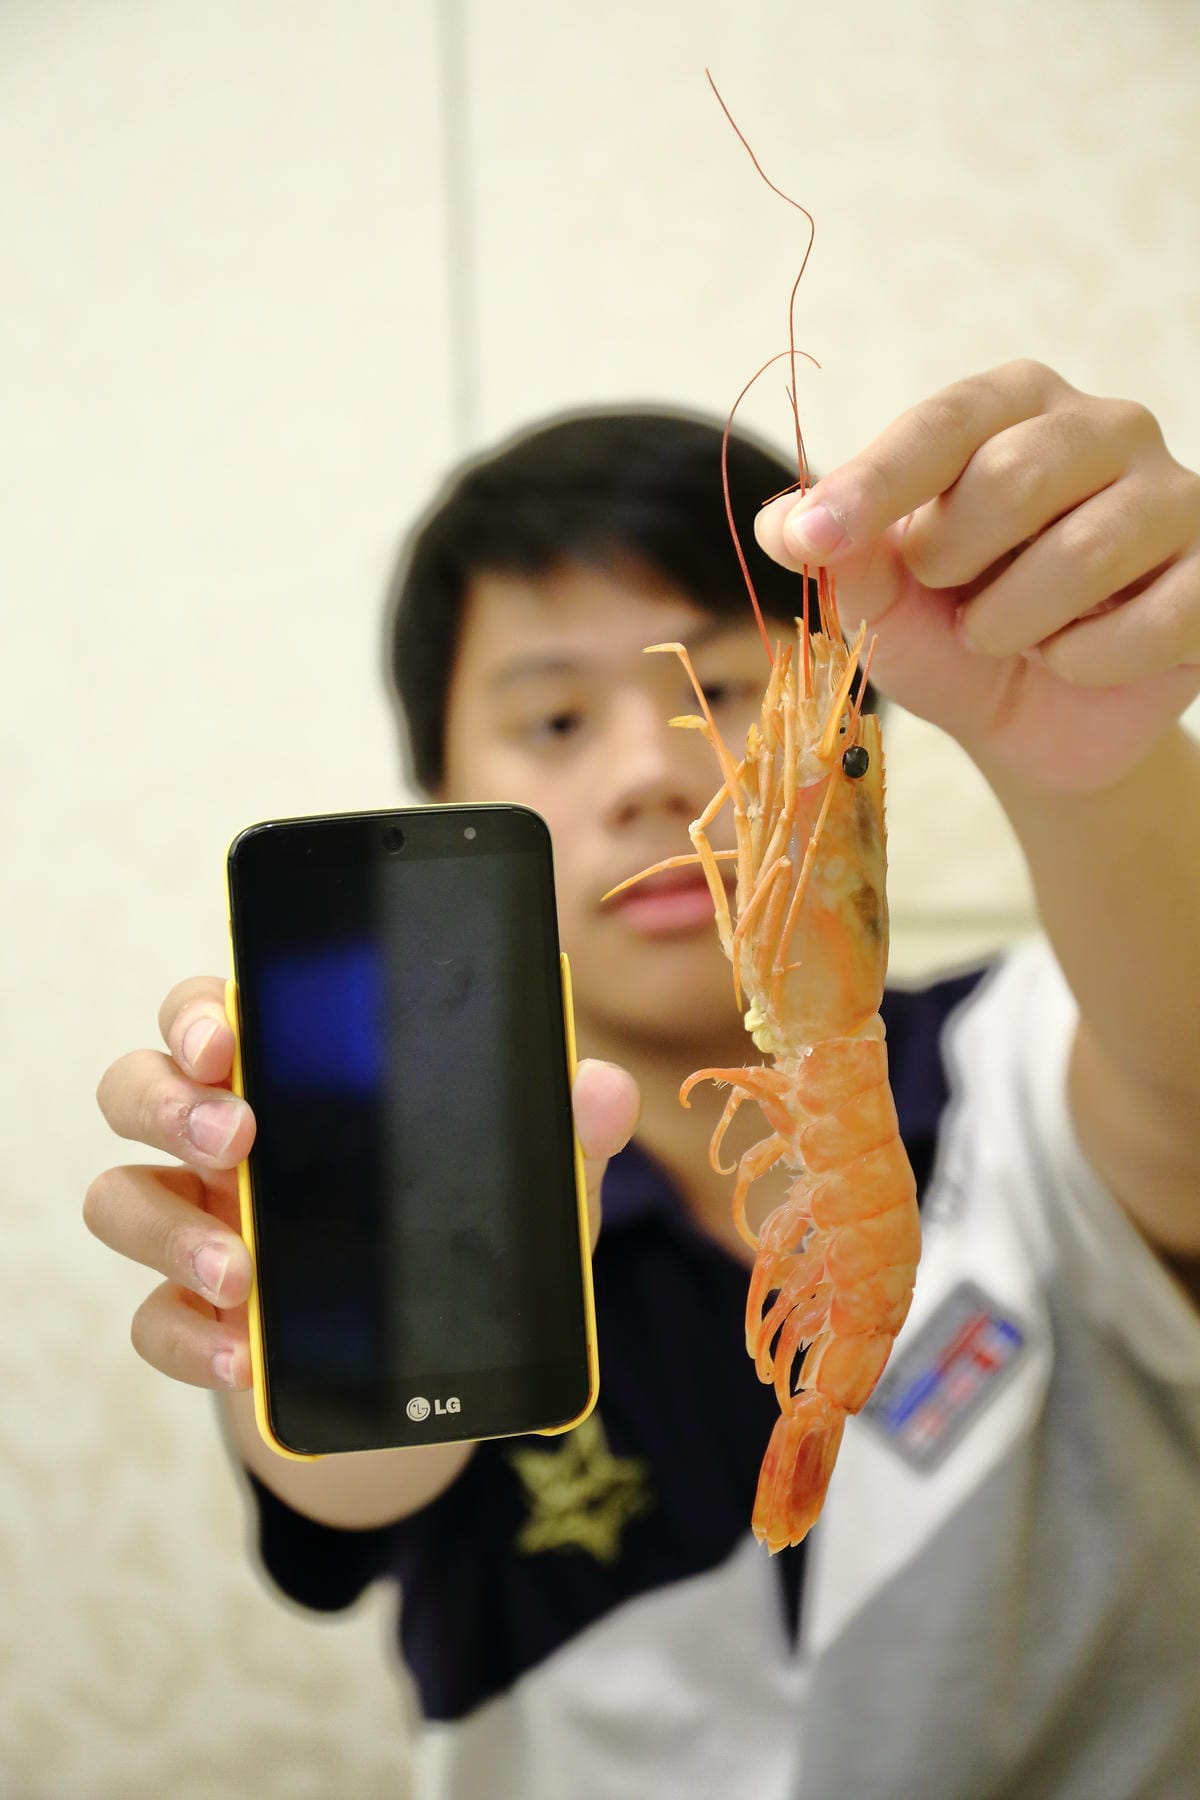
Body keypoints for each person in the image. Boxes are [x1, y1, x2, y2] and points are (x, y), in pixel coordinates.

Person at [87, 361, 1200, 1799]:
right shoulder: (429, 1189)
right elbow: (344, 1474)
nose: (651, 776)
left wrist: (1092, 763)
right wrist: (299, 1258)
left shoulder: (1027, 1052)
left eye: (720, 689)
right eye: (555, 722)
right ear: (448, 800)